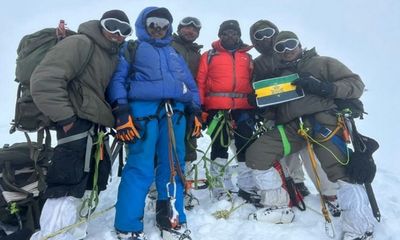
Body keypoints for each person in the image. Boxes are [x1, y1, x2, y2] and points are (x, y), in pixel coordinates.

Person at [245, 31, 376, 239]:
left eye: (291, 44)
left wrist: (326, 88)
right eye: (281, 47)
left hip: (322, 121)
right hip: (291, 127)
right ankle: (279, 206)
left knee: (339, 170)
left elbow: (355, 85)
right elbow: (275, 107)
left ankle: (359, 228)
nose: (287, 50)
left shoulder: (322, 63)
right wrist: (260, 104)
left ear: (299, 44)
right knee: (256, 155)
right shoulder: (278, 78)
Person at [29, 10, 131, 240]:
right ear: (100, 24)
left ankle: (73, 233)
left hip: (92, 126)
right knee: (67, 184)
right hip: (76, 124)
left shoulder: (109, 55)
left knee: (86, 182)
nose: (117, 33)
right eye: (112, 25)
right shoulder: (81, 43)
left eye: (124, 30)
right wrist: (66, 119)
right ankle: (53, 235)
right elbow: (44, 80)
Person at [107, 7, 201, 240]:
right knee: (140, 166)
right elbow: (118, 79)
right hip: (143, 114)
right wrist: (121, 110)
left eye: (163, 23)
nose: (158, 28)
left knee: (173, 167)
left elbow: (190, 84)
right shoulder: (132, 48)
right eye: (153, 23)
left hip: (175, 114)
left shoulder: (174, 53)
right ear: (144, 24)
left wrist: (196, 110)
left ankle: (171, 217)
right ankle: (128, 225)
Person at [247, 20, 340, 215]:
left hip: (311, 115)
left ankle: (329, 192)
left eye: (268, 32)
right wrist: (261, 105)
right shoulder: (258, 63)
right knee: (288, 155)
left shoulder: (309, 60)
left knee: (313, 155)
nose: (265, 38)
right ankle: (294, 183)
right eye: (259, 35)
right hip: (282, 113)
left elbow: (343, 82)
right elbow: (260, 88)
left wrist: (332, 93)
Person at [196, 20, 255, 199]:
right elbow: (201, 82)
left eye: (234, 33)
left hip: (244, 108)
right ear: (220, 35)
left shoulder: (247, 57)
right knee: (219, 145)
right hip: (217, 108)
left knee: (245, 145)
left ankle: (247, 186)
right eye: (226, 33)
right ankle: (220, 185)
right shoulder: (209, 55)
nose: (230, 36)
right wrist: (200, 108)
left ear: (239, 35)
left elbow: (253, 82)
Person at [171, 16, 203, 208]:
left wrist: (199, 108)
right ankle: (156, 190)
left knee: (189, 144)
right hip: (169, 102)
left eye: (194, 29)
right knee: (166, 144)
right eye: (187, 28)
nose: (190, 31)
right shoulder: (168, 45)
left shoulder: (198, 54)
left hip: (190, 104)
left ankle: (185, 186)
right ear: (179, 28)